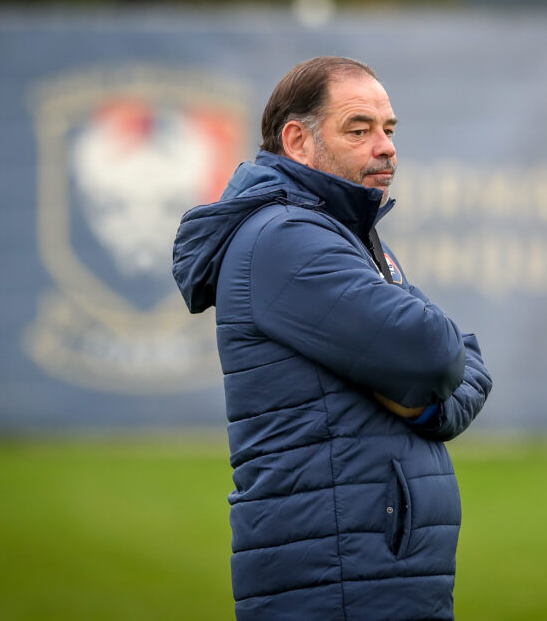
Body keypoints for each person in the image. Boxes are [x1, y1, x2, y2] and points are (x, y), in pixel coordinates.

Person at [173, 56, 491, 621]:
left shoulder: (342, 233)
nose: (386, 146)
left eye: (389, 130)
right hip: (337, 580)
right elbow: (438, 355)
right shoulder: (284, 238)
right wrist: (433, 384)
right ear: (297, 139)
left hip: (365, 573)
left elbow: (466, 361)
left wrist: (425, 409)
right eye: (360, 129)